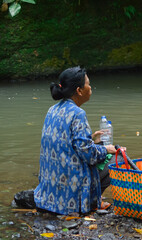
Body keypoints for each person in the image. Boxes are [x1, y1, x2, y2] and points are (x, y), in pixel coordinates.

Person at [34, 67, 117, 215]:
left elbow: (64, 142)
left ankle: (93, 197)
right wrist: (107, 149)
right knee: (117, 158)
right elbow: (89, 155)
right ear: (79, 90)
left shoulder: (52, 109)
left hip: (49, 194)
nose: (90, 88)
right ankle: (91, 202)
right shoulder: (78, 113)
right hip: (69, 197)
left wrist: (91, 139)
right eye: (88, 84)